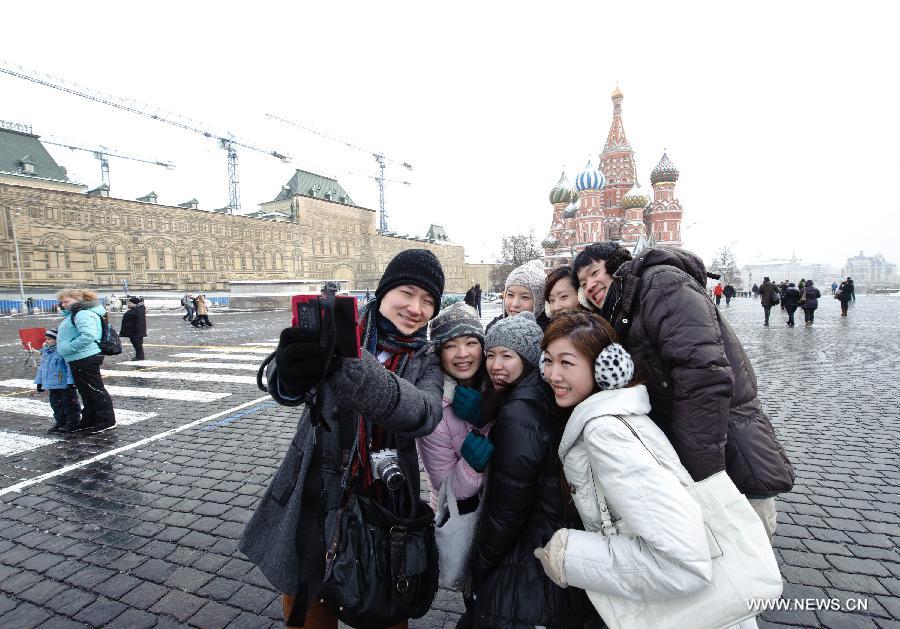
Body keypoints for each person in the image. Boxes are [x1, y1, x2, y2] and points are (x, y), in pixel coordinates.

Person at [240, 249, 446, 629]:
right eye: (408, 292)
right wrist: (289, 374)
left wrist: (350, 366)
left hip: (384, 507)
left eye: (429, 300)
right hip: (315, 500)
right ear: (384, 292)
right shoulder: (333, 331)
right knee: (308, 611)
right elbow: (287, 392)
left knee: (385, 611)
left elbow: (424, 413)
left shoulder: (426, 360)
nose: (417, 308)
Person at [573, 242, 794, 540]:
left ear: (617, 264)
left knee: (747, 562)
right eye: (583, 283)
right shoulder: (625, 309)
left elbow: (703, 379)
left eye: (594, 273)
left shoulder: (660, 283)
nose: (589, 286)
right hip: (702, 458)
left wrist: (703, 480)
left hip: (727, 459)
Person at [536, 311, 717, 623]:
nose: (553, 374)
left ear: (606, 367)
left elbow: (685, 566)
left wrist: (567, 554)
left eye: (567, 363)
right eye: (548, 361)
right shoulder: (607, 415)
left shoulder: (606, 434)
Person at [466, 311, 599, 629]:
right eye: (491, 355)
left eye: (507, 356)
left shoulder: (518, 414)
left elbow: (507, 510)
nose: (496, 365)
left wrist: (480, 566)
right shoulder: (541, 395)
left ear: (528, 359)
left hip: (527, 556)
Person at [417, 303, 489, 509]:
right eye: (450, 345)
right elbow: (445, 486)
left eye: (471, 342)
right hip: (458, 517)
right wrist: (471, 467)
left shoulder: (499, 386)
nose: (462, 353)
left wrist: (485, 416)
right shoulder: (433, 407)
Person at [56, 288, 116, 433]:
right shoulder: (76, 314)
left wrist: (68, 347)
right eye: (62, 302)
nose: (63, 305)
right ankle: (90, 419)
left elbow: (88, 335)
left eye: (66, 301)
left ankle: (106, 420)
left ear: (79, 301)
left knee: (94, 389)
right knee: (86, 390)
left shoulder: (83, 314)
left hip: (85, 356)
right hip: (79, 356)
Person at [34, 328, 81, 433]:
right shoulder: (46, 352)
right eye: (46, 339)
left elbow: (69, 368)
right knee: (56, 405)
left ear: (57, 339)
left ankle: (73, 422)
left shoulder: (63, 351)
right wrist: (39, 382)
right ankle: (60, 421)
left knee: (70, 404)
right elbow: (42, 368)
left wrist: (71, 382)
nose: (47, 341)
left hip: (64, 385)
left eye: (49, 339)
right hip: (52, 385)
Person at [485, 259, 549, 333]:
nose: (515, 304)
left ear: (539, 303)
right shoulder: (493, 330)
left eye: (524, 297)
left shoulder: (551, 337)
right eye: (510, 295)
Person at [120, 296, 147, 360]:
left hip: (137, 331)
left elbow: (129, 315)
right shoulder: (138, 309)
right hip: (137, 331)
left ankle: (140, 357)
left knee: (138, 345)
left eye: (130, 303)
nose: (128, 304)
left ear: (134, 304)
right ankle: (139, 356)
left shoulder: (136, 311)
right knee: (138, 345)